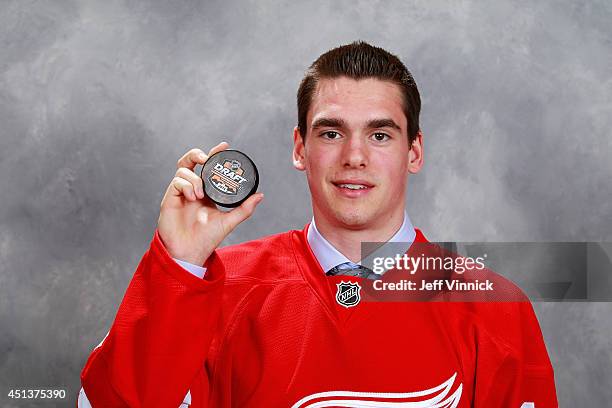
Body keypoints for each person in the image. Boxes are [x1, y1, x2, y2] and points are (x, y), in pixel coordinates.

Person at [78, 41, 558, 407]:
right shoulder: (215, 289)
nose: (354, 157)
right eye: (331, 132)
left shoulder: (494, 307)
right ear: (300, 149)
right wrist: (178, 266)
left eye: (380, 134)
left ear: (414, 151)